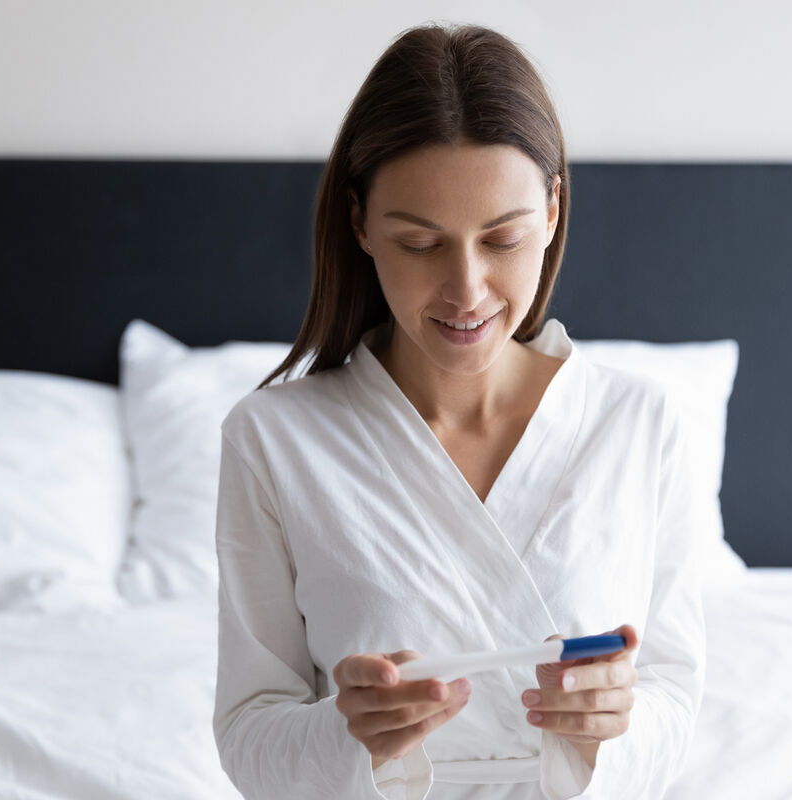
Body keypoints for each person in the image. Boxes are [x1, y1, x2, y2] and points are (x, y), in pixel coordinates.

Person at [212, 22, 705, 800]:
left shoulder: (640, 424)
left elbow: (675, 695)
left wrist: (619, 723)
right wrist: (351, 729)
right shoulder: (273, 441)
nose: (467, 291)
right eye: (420, 245)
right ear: (361, 225)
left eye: (502, 237)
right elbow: (249, 729)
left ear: (551, 211)